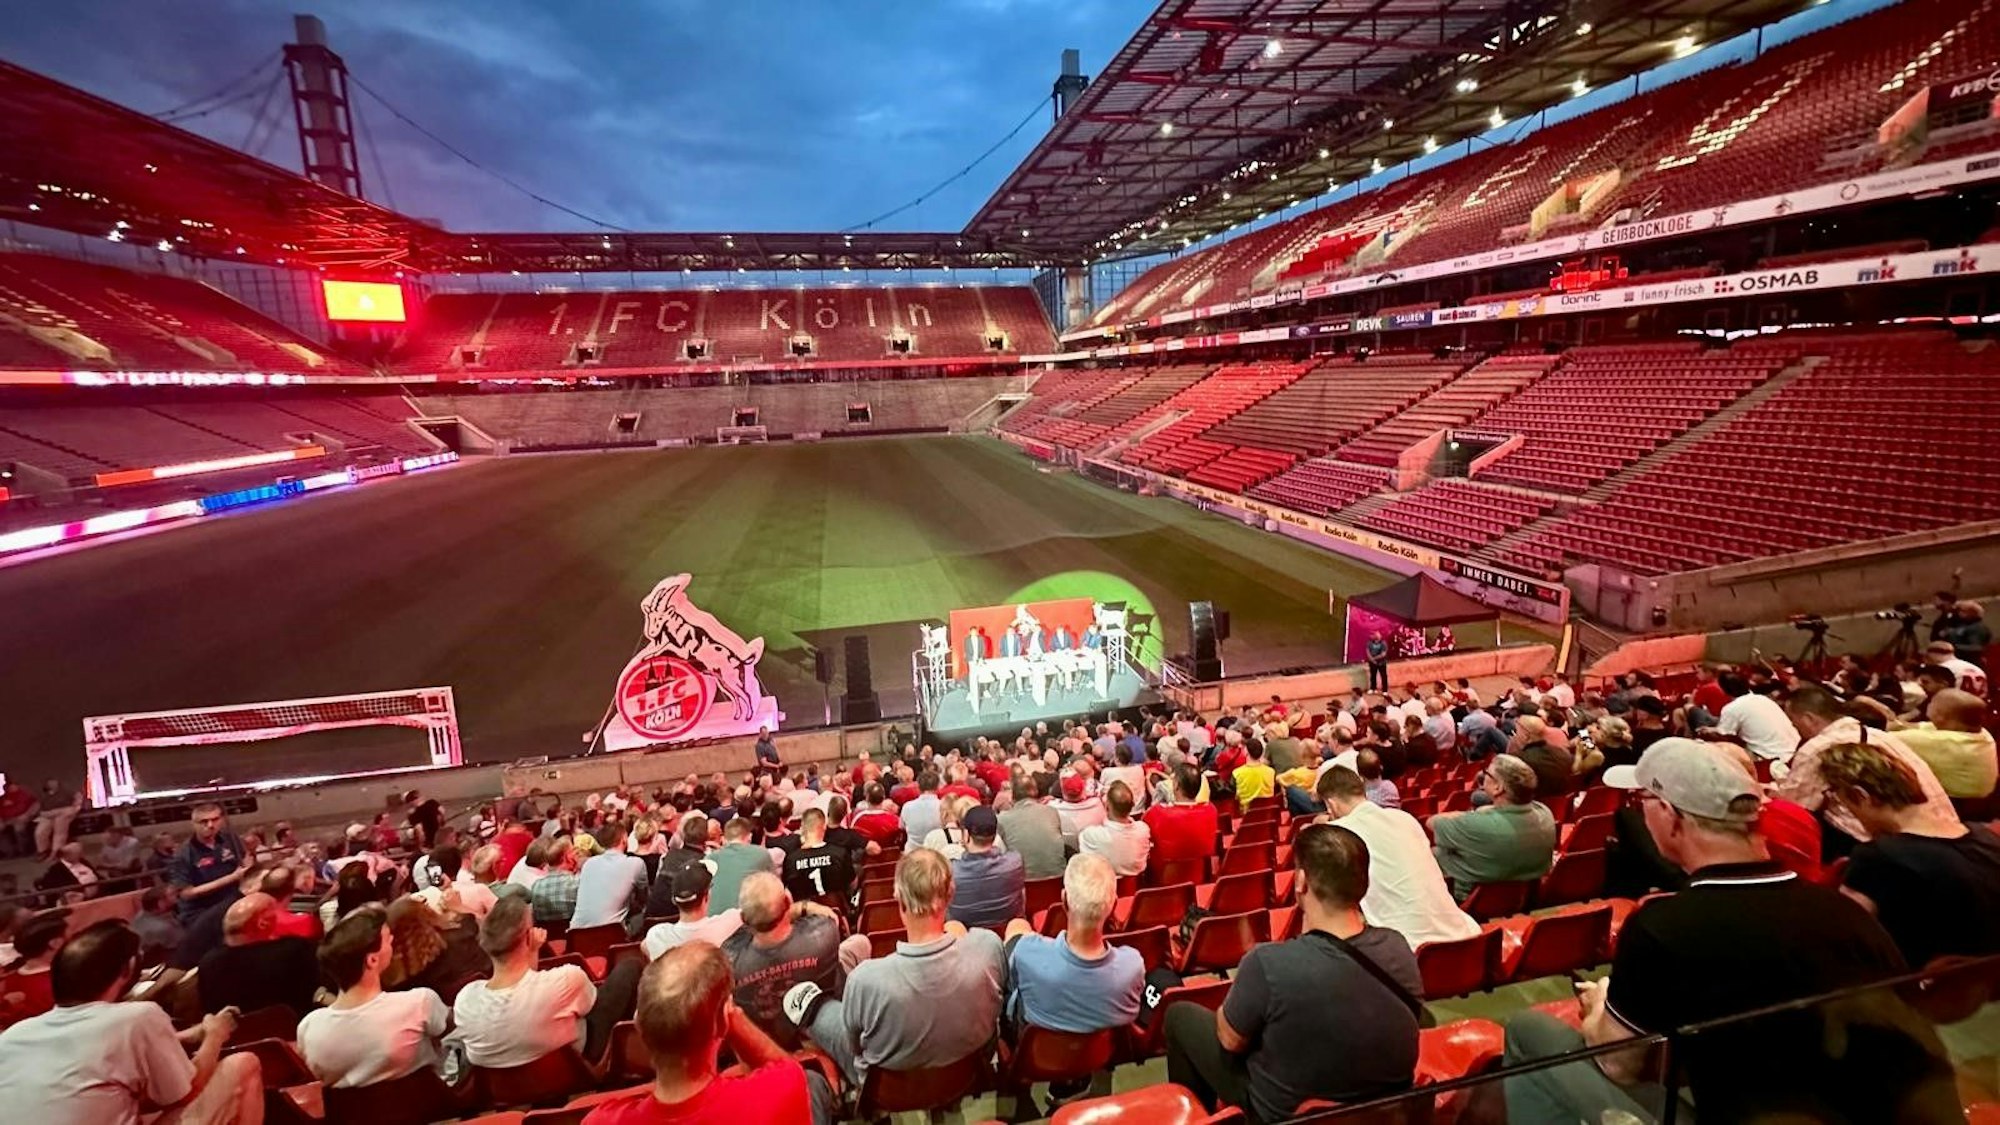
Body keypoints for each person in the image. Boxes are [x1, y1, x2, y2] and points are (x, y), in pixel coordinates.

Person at [1502, 738, 1951, 1123]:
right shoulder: (1845, 911)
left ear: (1671, 817)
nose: (1638, 814)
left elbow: (1618, 1063)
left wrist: (1600, 1005)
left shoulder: (1665, 926)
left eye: (1642, 803)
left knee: (1529, 1029)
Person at [1166, 823, 1420, 1121]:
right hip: (1384, 1109)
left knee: (1179, 1016)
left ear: (1301, 882)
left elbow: (1229, 1039)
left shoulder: (1268, 963)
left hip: (1285, 1115)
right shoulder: (1398, 947)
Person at [0, 921, 262, 1125]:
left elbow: (90, 1078)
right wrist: (216, 1034)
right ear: (127, 970)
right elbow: (185, 1092)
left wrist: (185, 1037)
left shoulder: (14, 1034)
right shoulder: (138, 1015)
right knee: (243, 1063)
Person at [786, 848, 1005, 1088]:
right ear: (950, 894)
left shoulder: (865, 979)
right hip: (968, 1070)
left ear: (899, 900)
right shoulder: (988, 947)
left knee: (801, 997)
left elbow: (855, 1044)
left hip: (887, 1086)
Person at [582, 941, 830, 1125]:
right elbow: (788, 1071)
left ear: (639, 1028)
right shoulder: (778, 1091)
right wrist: (732, 1019)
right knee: (815, 1083)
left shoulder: (598, 1121)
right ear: (722, 1023)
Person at [1815, 739, 2000, 967]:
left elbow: (1844, 940)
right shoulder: (1987, 838)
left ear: (1861, 795)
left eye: (1842, 802)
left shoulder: (1878, 857)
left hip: (1930, 992)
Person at [456, 895, 636, 1067]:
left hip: (504, 1089)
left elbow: (522, 989)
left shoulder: (464, 1000)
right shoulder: (566, 979)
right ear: (529, 936)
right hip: (578, 1067)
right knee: (630, 968)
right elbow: (590, 1006)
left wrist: (532, 953)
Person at [1318, 766, 1479, 949]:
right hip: (1463, 936)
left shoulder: (1339, 832)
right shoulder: (1405, 818)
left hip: (1405, 950)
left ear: (1331, 805)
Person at [1776, 682, 1959, 844]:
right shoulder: (1880, 736)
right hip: (1946, 830)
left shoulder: (1820, 747)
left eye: (1794, 722)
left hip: (1887, 844)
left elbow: (1794, 808)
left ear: (1808, 718)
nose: (1795, 729)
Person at [297, 904, 450, 1089]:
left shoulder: (308, 1028)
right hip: (431, 1105)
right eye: (388, 938)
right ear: (372, 960)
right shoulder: (420, 1002)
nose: (393, 938)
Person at [722, 872, 868, 1050]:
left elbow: (737, 938)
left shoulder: (729, 960)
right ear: (787, 902)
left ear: (745, 919)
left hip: (771, 1048)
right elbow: (829, 918)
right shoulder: (824, 934)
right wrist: (802, 907)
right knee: (859, 943)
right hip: (822, 1042)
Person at [1002, 853, 1144, 1034]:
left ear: (1064, 900)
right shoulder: (1132, 965)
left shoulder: (1027, 953)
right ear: (1114, 905)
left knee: (1017, 925)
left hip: (1040, 1056)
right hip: (1101, 1056)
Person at [1428, 755, 1556, 898]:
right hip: (1525, 898)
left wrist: (1470, 813)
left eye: (1487, 774)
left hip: (1468, 903)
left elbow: (1432, 822)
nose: (1482, 776)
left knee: (1431, 852)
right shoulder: (1545, 814)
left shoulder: (1475, 826)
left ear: (1498, 787)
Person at [196, 893, 319, 1017]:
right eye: (277, 914)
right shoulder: (294, 950)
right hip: (294, 1030)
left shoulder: (208, 962)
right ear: (262, 924)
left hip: (231, 1034)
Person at [1887, 688, 1999, 799]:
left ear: (1941, 716)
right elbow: (1914, 727)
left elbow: (1878, 738)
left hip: (1960, 806)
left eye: (1931, 702)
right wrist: (1898, 724)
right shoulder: (1981, 733)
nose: (1928, 703)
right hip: (1985, 801)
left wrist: (1872, 704)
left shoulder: (1942, 742)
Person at [167, 804, 248, 925]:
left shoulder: (230, 839)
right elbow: (186, 894)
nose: (210, 825)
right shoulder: (183, 854)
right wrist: (232, 878)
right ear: (194, 824)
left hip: (232, 903)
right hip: (201, 912)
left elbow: (244, 860)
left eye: (215, 820)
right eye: (204, 821)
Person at [643, 864, 744, 959]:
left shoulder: (656, 935)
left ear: (674, 901)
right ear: (707, 896)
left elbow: (644, 946)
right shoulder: (730, 921)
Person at [948, 805, 1025, 929]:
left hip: (964, 941)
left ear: (966, 834)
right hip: (1006, 935)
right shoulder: (1015, 862)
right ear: (995, 835)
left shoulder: (950, 872)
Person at [572, 822, 651, 931]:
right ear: (624, 839)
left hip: (576, 934)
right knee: (649, 914)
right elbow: (644, 898)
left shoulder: (588, 864)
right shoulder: (635, 863)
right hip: (612, 933)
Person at [780, 808, 857, 907]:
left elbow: (788, 893)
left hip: (803, 917)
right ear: (824, 826)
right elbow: (852, 884)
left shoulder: (791, 860)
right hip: (837, 914)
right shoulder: (840, 853)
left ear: (802, 828)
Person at [1145, 763, 1220, 863]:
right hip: (1202, 873)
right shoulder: (1211, 810)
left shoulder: (1157, 814)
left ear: (1176, 785)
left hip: (1162, 874)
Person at [996, 777, 1066, 880]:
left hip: (1021, 885)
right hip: (1057, 881)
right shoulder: (1051, 811)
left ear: (1012, 796)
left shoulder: (1002, 819)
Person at [1078, 780, 1152, 878]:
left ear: (1107, 806)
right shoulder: (1143, 830)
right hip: (1134, 888)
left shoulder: (1091, 835)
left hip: (1104, 889)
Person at [707, 816, 775, 914]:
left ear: (724, 839)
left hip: (714, 921)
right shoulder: (761, 854)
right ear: (750, 837)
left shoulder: (710, 858)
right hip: (748, 920)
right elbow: (775, 888)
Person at [31, 778, 83, 862]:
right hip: (49, 814)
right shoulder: (44, 796)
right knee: (40, 832)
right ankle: (43, 851)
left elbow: (78, 797)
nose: (54, 784)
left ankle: (56, 852)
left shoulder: (66, 792)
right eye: (51, 782)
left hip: (64, 812)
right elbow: (39, 809)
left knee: (59, 829)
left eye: (54, 782)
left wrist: (76, 806)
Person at [132, 883, 186, 964]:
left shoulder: (140, 915)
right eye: (172, 895)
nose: (177, 897)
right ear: (160, 903)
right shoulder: (164, 928)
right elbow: (185, 947)